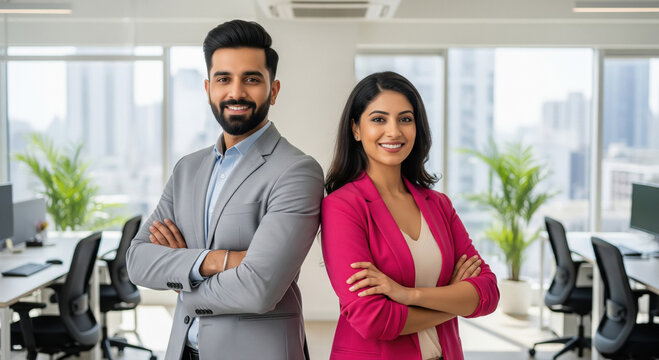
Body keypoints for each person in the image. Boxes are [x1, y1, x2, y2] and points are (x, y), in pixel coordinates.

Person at [126, 20, 324, 360]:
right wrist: (219, 261)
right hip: (182, 351)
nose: (236, 92)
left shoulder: (297, 171)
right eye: (223, 79)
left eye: (251, 79)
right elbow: (137, 261)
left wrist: (180, 273)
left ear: (273, 90)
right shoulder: (188, 169)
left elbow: (259, 290)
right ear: (207, 88)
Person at [321, 71, 499, 360]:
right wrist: (455, 298)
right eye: (379, 119)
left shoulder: (439, 205)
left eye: (405, 119)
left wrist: (408, 295)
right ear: (356, 129)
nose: (394, 131)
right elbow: (373, 319)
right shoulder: (343, 206)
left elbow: (488, 293)